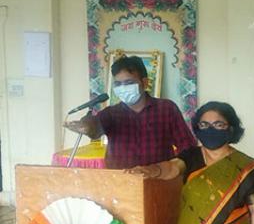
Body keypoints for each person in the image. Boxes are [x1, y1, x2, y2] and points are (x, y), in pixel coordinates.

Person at [65, 55, 196, 168]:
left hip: (158, 182)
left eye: (129, 82)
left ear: (144, 83)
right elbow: (95, 129)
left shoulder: (167, 109)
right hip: (120, 184)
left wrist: (175, 170)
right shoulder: (111, 113)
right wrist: (86, 126)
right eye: (118, 84)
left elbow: (187, 146)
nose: (123, 88)